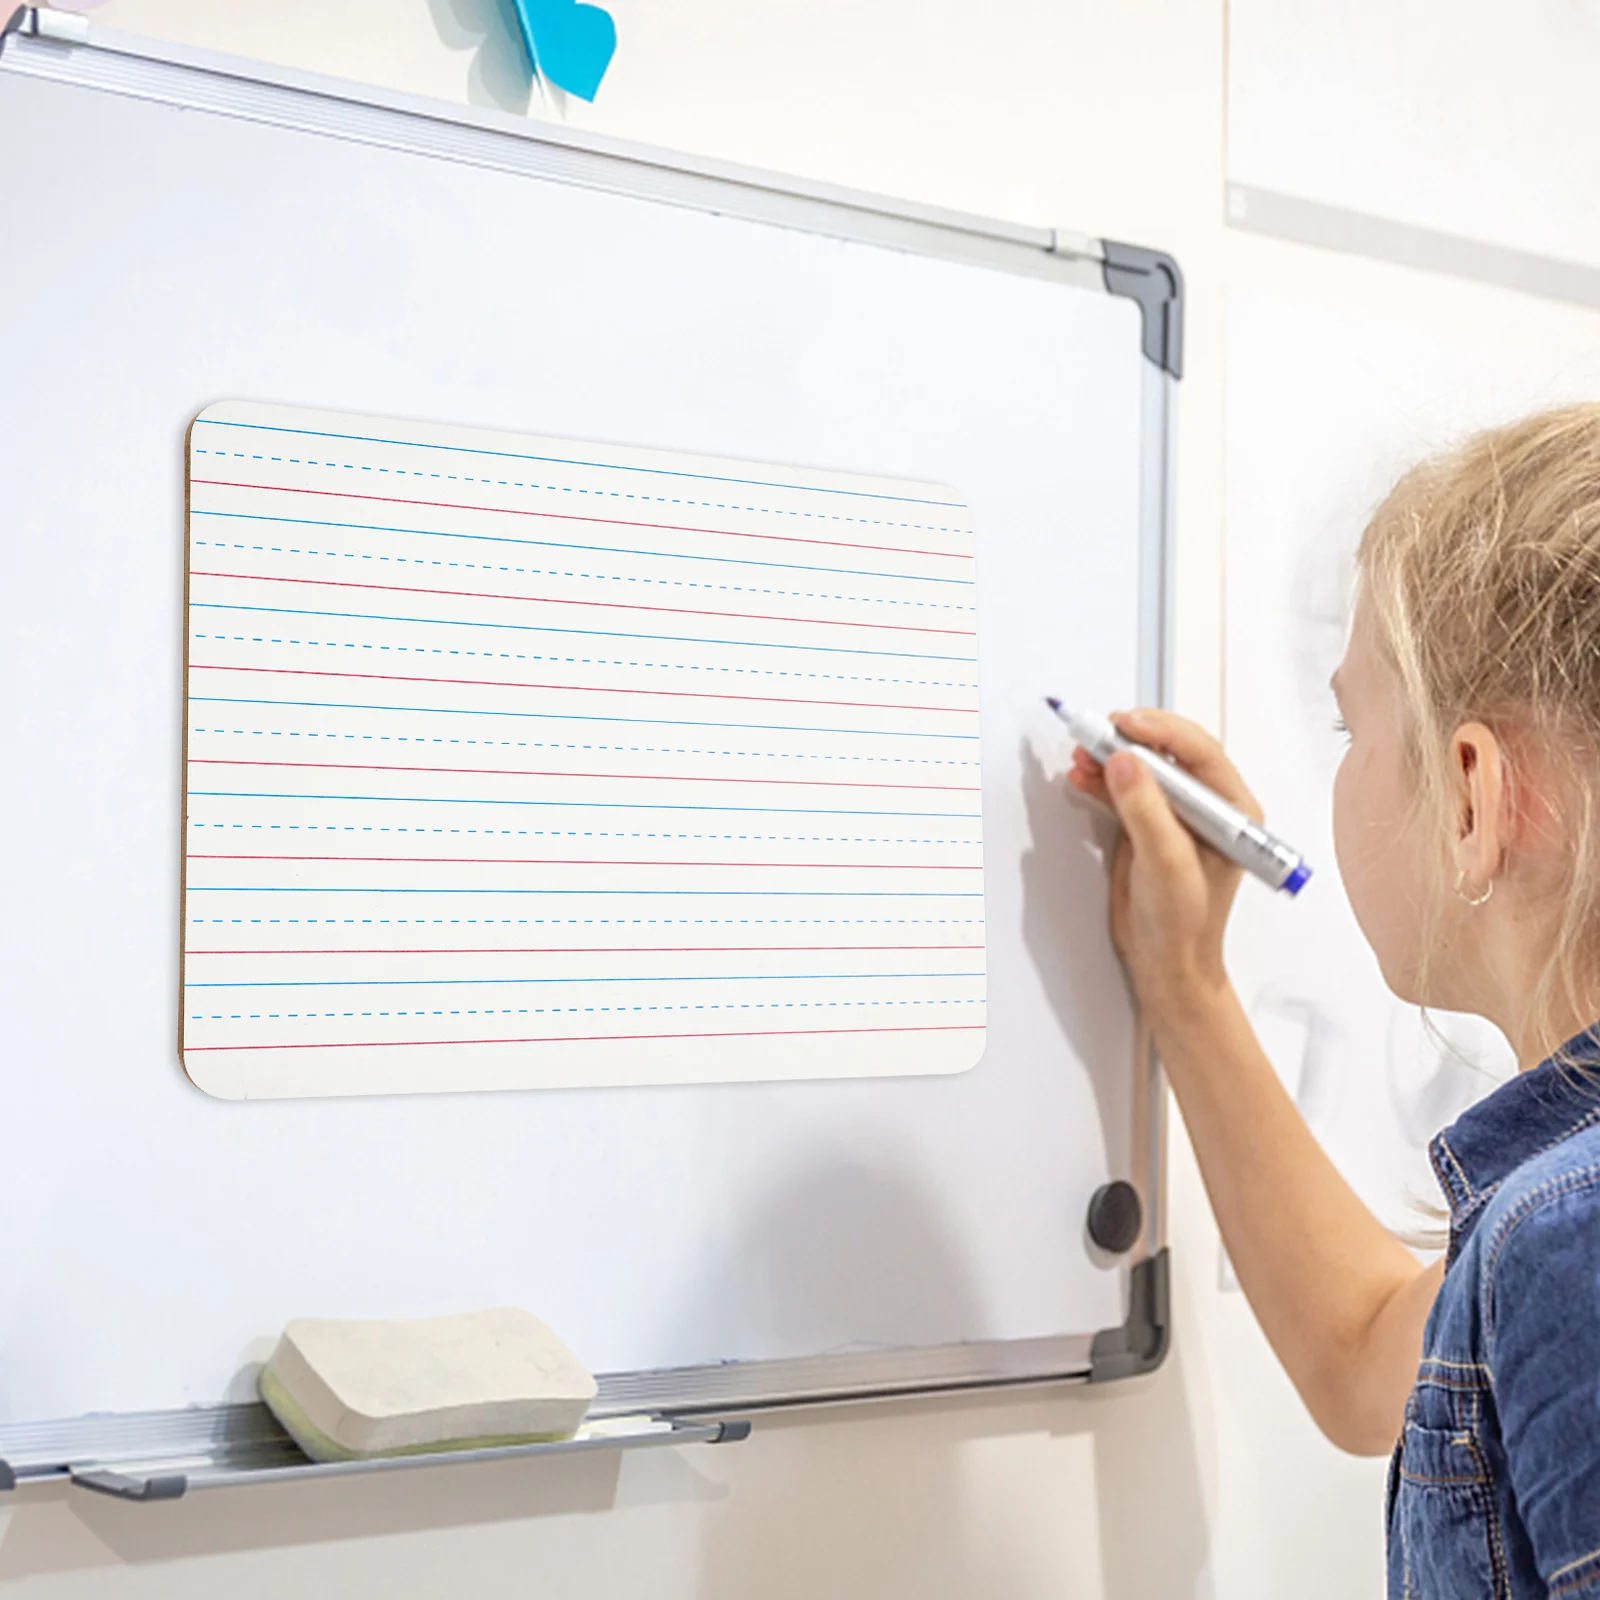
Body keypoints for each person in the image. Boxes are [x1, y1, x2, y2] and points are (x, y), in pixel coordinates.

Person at [1069, 404, 1600, 1598]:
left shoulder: (1571, 1238)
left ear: (1471, 793)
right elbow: (1373, 1354)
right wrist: (1186, 983)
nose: (1337, 771)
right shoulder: (1550, 1237)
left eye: (1350, 725)